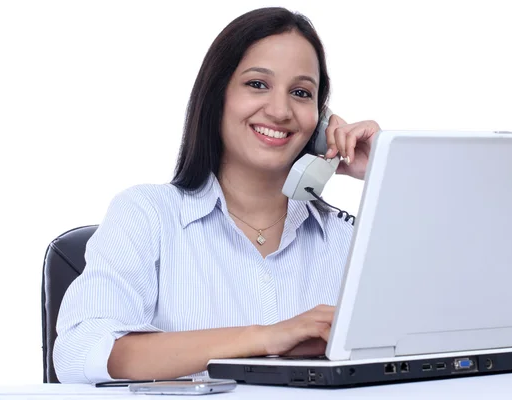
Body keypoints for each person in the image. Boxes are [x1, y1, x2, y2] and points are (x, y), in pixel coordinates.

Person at [53, 6, 381, 384]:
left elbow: (443, 333)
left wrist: (383, 169)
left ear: (320, 121)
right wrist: (264, 338)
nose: (279, 110)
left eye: (301, 92)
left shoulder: (348, 239)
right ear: (217, 95)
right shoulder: (146, 214)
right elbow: (80, 351)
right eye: (257, 84)